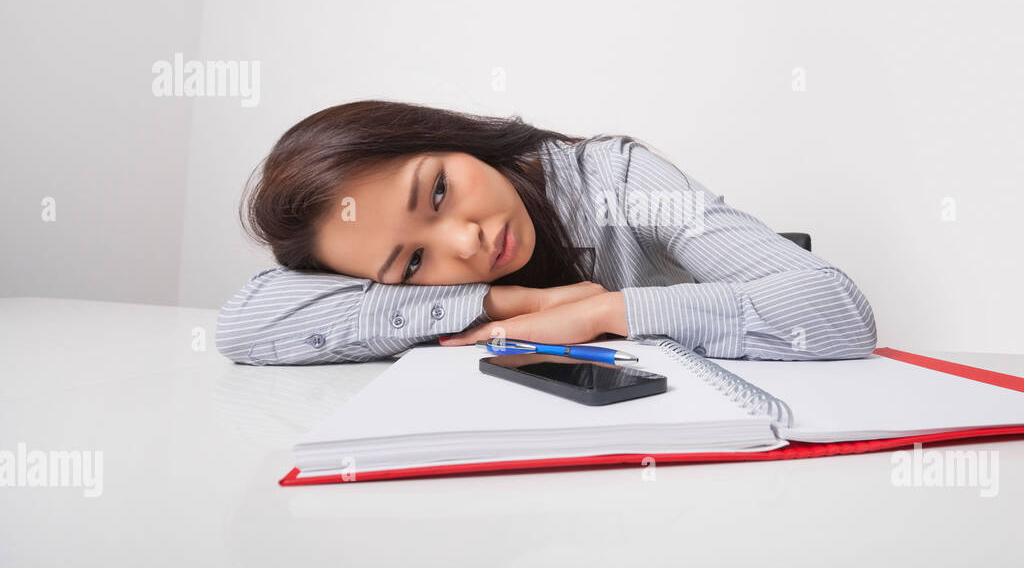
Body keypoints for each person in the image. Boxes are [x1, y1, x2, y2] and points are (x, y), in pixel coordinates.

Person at [215, 100, 877, 365]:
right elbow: (243, 327)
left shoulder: (619, 182)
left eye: (439, 191)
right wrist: (509, 303)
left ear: (450, 138)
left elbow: (839, 309)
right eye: (414, 263)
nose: (464, 243)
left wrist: (601, 313)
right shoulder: (455, 273)